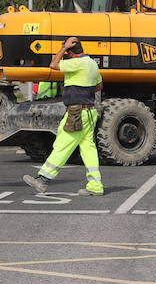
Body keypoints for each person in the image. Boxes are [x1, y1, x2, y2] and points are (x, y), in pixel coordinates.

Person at [23, 36, 104, 196]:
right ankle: (95, 185)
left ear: (71, 53)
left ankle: (43, 179)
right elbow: (99, 85)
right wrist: (83, 91)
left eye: (67, 52)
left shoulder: (76, 62)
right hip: (89, 111)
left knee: (63, 145)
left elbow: (53, 64)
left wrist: (63, 48)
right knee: (88, 148)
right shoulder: (92, 64)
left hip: (77, 113)